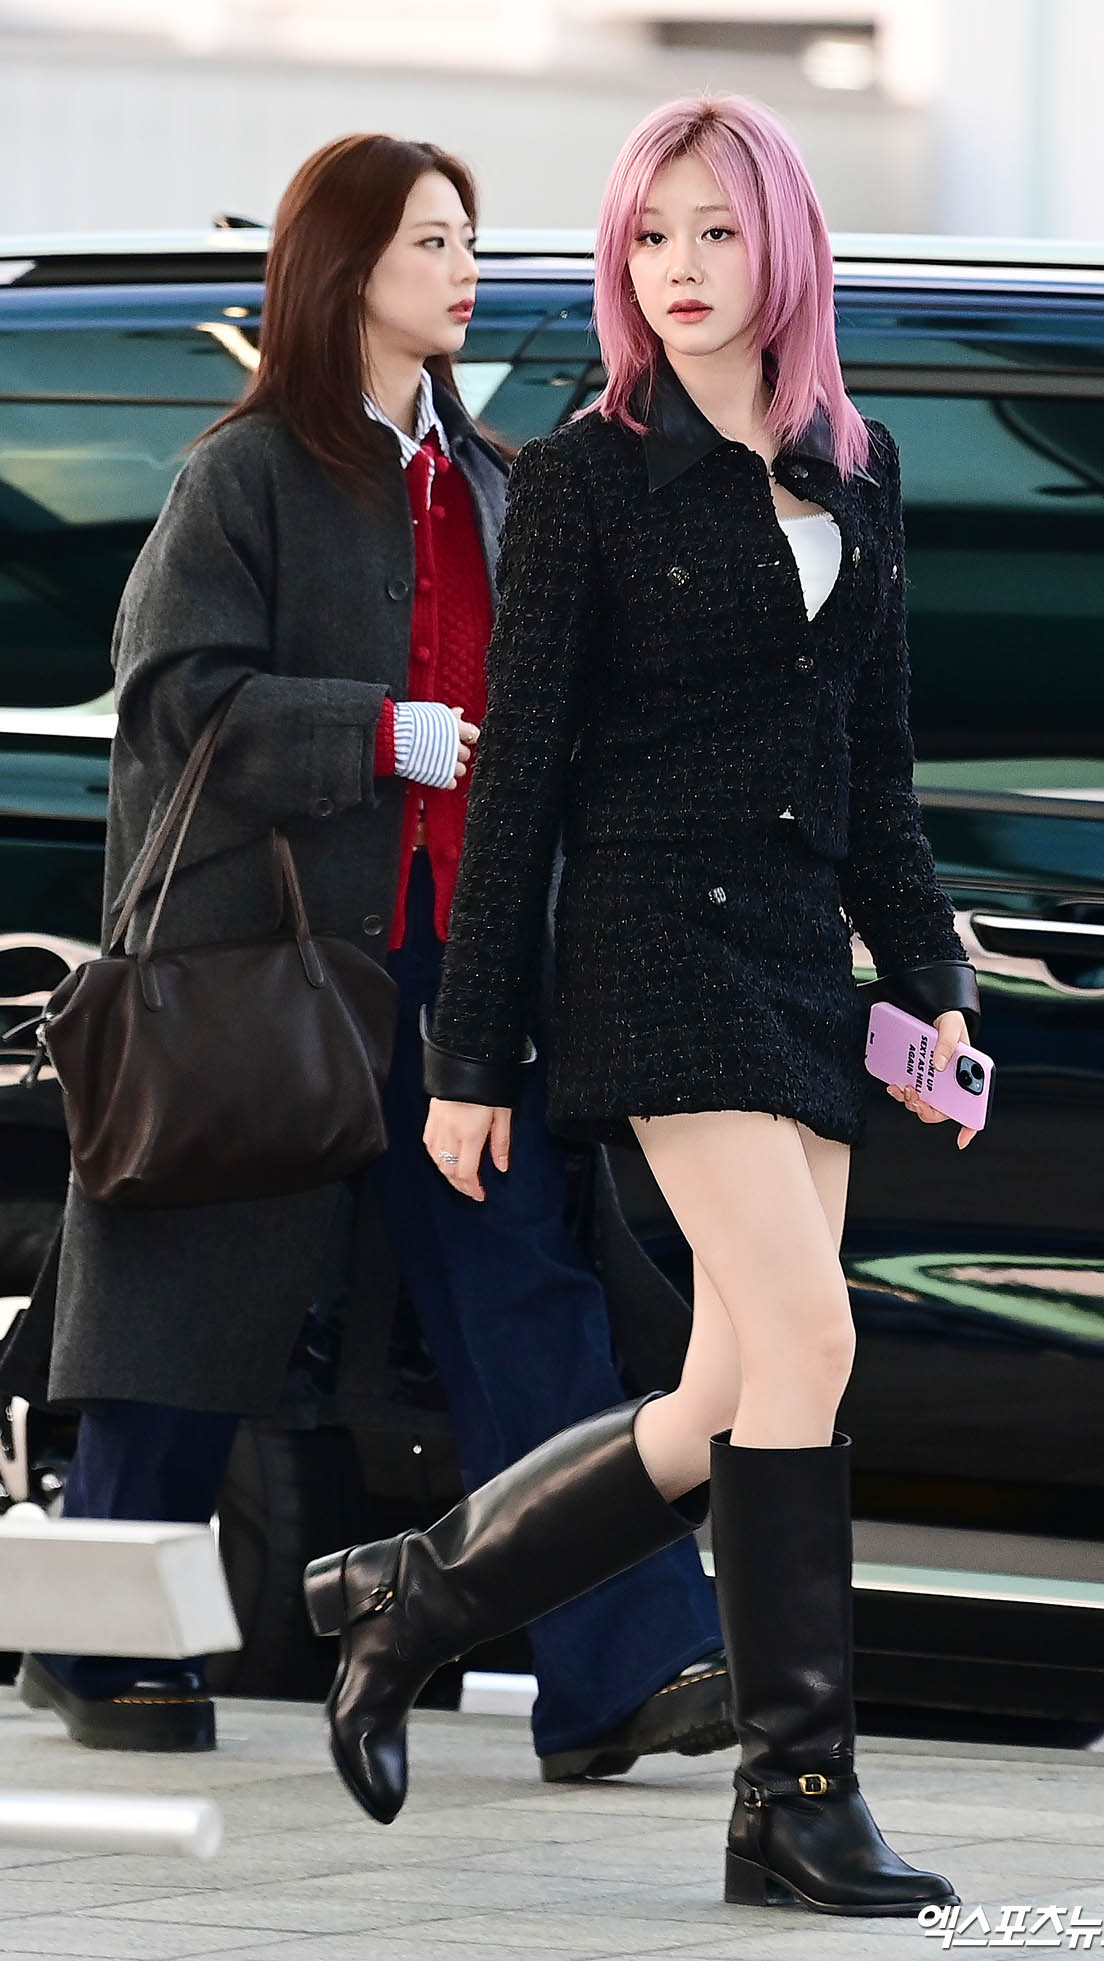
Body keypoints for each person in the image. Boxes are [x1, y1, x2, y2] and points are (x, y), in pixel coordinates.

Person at [306, 96, 986, 1919]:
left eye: (716, 231)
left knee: (728, 1387)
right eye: (649, 236)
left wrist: (933, 980)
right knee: (814, 1341)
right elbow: (518, 778)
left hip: (798, 964)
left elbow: (875, 774)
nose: (678, 268)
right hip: (653, 949)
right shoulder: (589, 475)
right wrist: (471, 1058)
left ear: (785, 246)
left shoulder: (862, 467)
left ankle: (414, 1593)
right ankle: (800, 1790)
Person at [2, 132, 731, 1775]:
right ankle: (99, 1638)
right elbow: (172, 702)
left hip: (461, 976)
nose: (466, 270)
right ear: (344, 270)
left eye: (470, 240)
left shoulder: (498, 482)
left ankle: (620, 1671)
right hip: (269, 966)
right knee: (191, 1297)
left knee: (528, 1304)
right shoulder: (244, 475)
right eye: (430, 242)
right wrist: (376, 732)